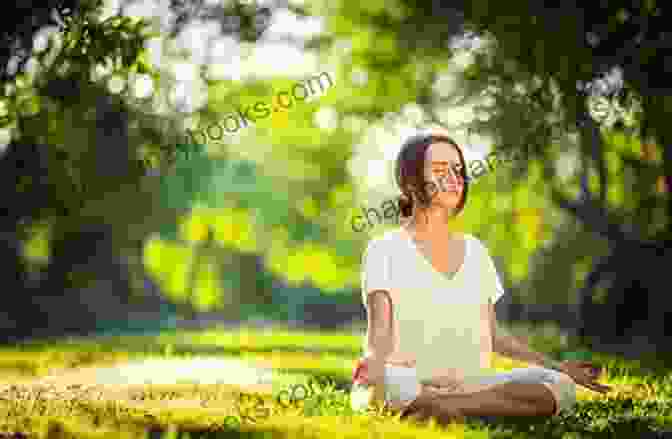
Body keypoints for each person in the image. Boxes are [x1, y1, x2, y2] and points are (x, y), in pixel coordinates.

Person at [352, 128, 610, 425]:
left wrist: (559, 367)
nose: (454, 178)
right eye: (439, 170)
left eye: (458, 170)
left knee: (560, 386)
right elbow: (379, 339)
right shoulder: (384, 250)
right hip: (409, 380)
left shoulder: (475, 251)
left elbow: (495, 336)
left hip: (471, 382)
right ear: (410, 182)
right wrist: (373, 363)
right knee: (389, 385)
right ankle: (461, 407)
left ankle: (447, 407)